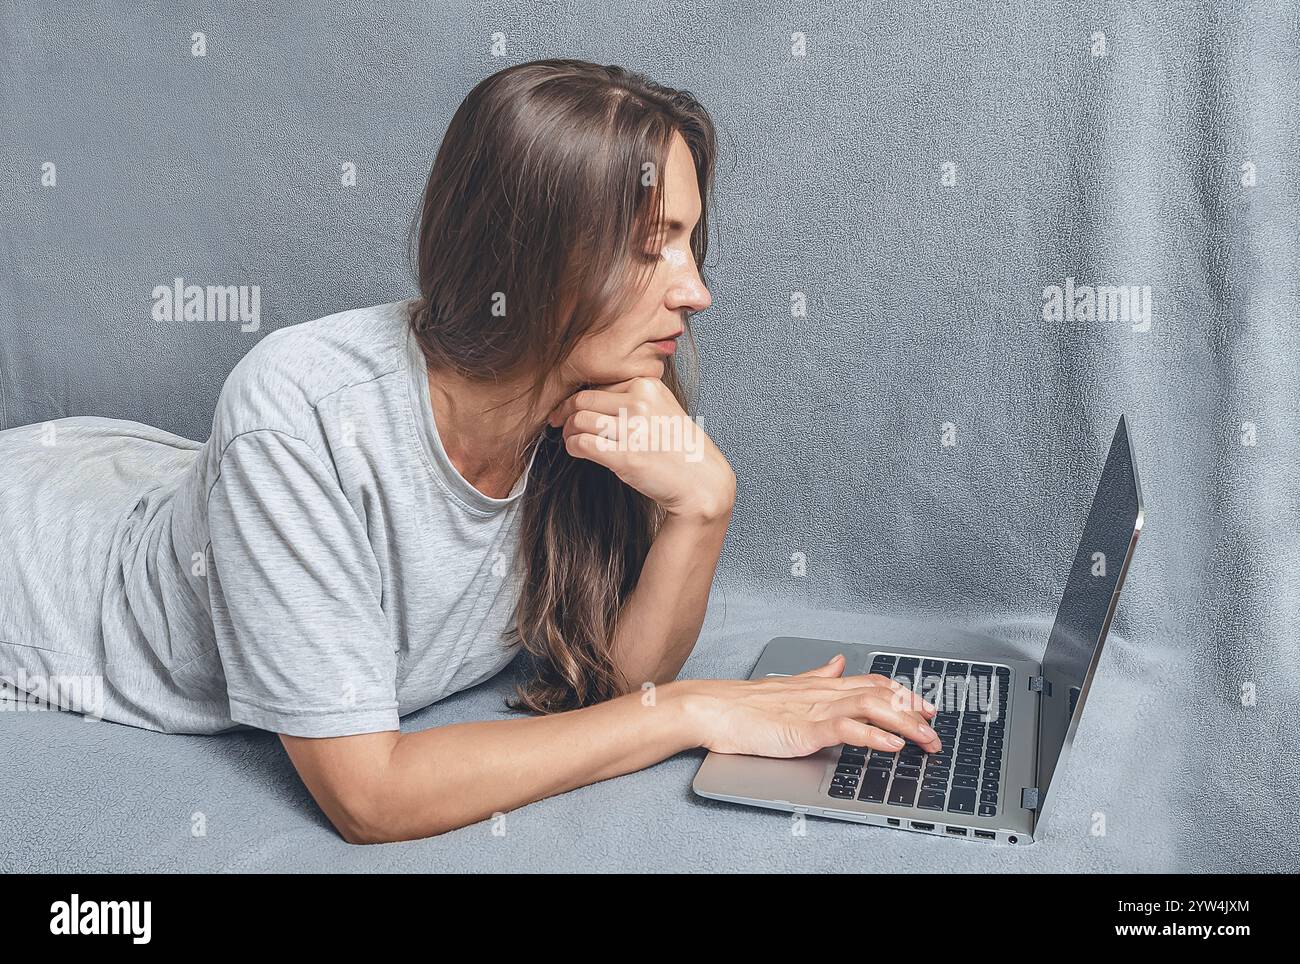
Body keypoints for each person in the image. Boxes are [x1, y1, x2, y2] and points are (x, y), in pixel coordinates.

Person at [0, 59, 940, 844]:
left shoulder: (599, 398)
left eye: (691, 243)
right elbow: (371, 797)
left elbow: (611, 687)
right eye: (654, 247)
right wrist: (696, 710)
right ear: (532, 256)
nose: (695, 292)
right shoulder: (300, 412)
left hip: (154, 479)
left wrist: (703, 511)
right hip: (39, 561)